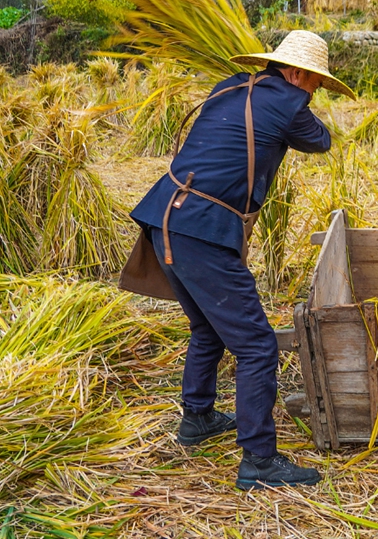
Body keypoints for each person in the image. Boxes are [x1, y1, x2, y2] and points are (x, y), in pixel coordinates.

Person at [122, 30, 353, 490]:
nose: (315, 92)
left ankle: (198, 418)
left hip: (167, 216)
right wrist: (299, 104)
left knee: (207, 327)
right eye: (316, 84)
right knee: (257, 346)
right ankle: (259, 461)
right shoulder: (290, 105)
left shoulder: (227, 85)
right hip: (202, 229)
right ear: (297, 73)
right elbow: (322, 141)